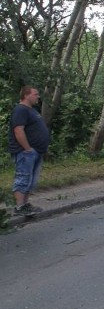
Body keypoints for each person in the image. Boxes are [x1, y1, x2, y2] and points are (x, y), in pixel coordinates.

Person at [8, 86, 50, 217]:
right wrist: (27, 149)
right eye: (35, 94)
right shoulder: (20, 110)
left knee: (31, 180)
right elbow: (18, 130)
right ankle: (19, 207)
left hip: (36, 151)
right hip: (25, 152)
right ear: (26, 95)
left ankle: (25, 204)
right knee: (23, 177)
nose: (38, 96)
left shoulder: (32, 110)